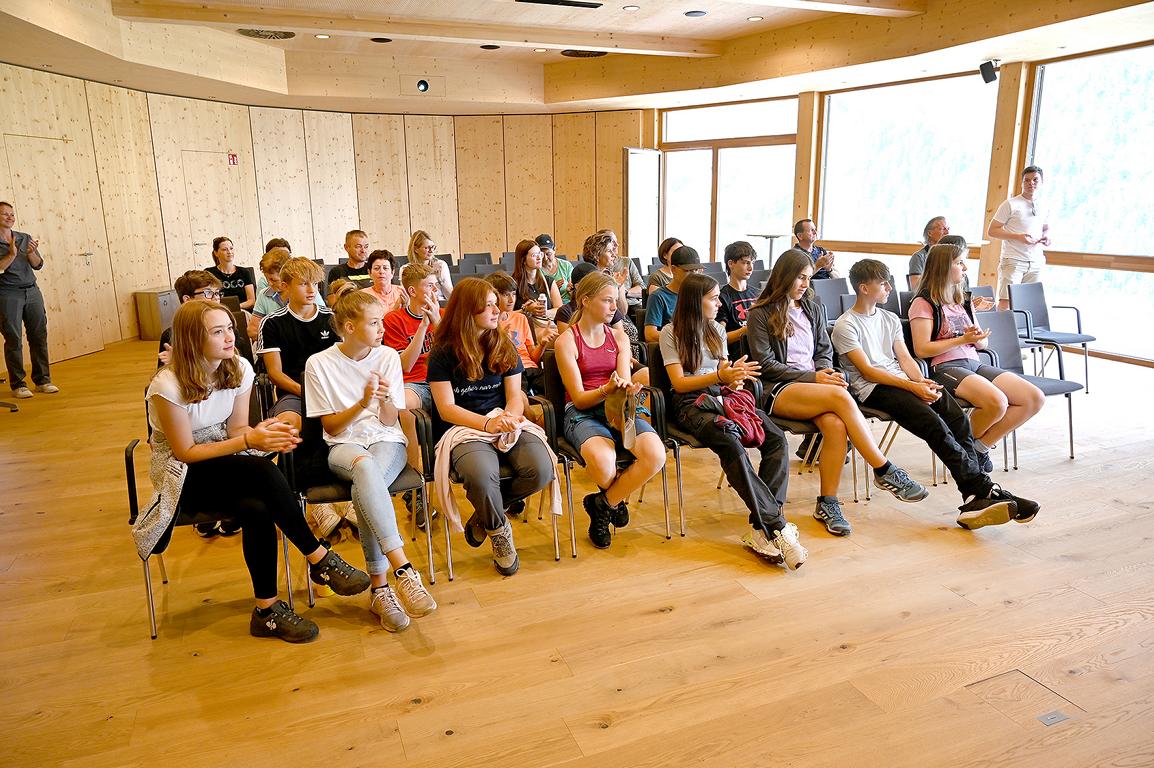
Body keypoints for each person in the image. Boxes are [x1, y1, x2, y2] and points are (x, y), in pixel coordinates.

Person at [140, 300, 371, 643]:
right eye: (217, 332)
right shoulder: (166, 385)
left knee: (258, 505)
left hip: (226, 459)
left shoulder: (239, 368)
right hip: (181, 473)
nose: (229, 337)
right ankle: (318, 556)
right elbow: (184, 452)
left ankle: (267, 610)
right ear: (191, 339)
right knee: (261, 471)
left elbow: (234, 431)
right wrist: (251, 439)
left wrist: (264, 437)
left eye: (230, 328)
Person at [832, 258, 1040, 530]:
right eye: (882, 283)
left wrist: (922, 382)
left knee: (958, 419)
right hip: (875, 390)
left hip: (904, 382)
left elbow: (905, 359)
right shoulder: (845, 325)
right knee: (935, 427)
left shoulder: (890, 318)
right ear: (864, 288)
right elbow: (868, 371)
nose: (888, 288)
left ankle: (977, 495)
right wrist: (912, 386)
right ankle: (984, 491)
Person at [746, 250, 927, 536]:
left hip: (815, 386)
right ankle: (883, 468)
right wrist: (813, 377)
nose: (805, 283)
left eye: (808, 278)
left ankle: (827, 503)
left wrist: (826, 373)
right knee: (842, 397)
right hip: (778, 389)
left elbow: (823, 351)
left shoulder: (813, 307)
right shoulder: (759, 312)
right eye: (800, 277)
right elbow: (766, 365)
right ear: (784, 277)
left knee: (836, 425)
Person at [303, 283, 438, 632]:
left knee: (368, 481)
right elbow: (331, 425)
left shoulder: (388, 357)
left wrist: (382, 401)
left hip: (386, 440)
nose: (383, 329)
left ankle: (381, 588)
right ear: (349, 327)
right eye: (375, 323)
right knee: (365, 470)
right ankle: (403, 569)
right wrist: (362, 402)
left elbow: (391, 421)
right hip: (343, 445)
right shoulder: (319, 364)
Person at [660, 273, 806, 569]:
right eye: (712, 298)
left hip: (724, 397)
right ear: (694, 301)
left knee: (776, 438)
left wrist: (735, 377)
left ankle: (762, 528)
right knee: (730, 441)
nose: (718, 303)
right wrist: (720, 376)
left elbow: (725, 372)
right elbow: (678, 383)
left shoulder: (716, 328)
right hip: (691, 403)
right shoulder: (670, 332)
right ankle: (777, 527)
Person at [426, 277, 555, 576]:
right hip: (464, 427)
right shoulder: (444, 352)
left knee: (542, 468)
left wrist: (508, 417)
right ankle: (499, 532)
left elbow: (514, 396)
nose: (496, 310)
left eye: (495, 303)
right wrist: (488, 423)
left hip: (502, 419)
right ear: (466, 311)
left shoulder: (502, 342)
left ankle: (482, 516)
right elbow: (447, 408)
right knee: (482, 476)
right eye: (487, 306)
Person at [909, 243, 1044, 470]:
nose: (965, 268)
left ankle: (976, 450)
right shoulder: (923, 303)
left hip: (974, 361)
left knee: (1033, 398)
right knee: (997, 403)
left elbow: (983, 343)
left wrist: (978, 338)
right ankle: (961, 454)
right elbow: (922, 350)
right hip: (945, 367)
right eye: (960, 262)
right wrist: (961, 340)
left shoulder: (963, 300)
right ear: (944, 266)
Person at [555, 271, 665, 548]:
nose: (615, 306)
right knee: (604, 464)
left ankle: (603, 504)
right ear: (585, 301)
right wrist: (607, 389)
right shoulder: (566, 341)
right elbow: (579, 399)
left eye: (615, 300)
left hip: (618, 408)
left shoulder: (619, 337)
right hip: (582, 413)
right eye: (607, 301)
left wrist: (627, 388)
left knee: (655, 456)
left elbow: (622, 379)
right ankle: (613, 500)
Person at [256, 258, 336, 433]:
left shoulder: (332, 319)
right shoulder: (271, 323)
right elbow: (275, 373)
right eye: (303, 284)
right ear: (285, 286)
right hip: (294, 393)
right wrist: (307, 392)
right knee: (286, 426)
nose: (311, 290)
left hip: (332, 390)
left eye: (314, 283)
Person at [383, 262, 440, 487]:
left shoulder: (444, 315)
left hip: (442, 380)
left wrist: (438, 322)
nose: (435, 291)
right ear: (413, 291)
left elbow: (457, 353)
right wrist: (424, 326)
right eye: (430, 286)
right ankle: (414, 483)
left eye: (436, 286)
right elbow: (405, 365)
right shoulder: (393, 320)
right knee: (405, 408)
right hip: (414, 382)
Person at [0, 202, 55, 399]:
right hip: (7, 294)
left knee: (38, 335)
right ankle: (18, 384)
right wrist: (12, 254)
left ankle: (43, 380)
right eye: (5, 214)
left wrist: (31, 252)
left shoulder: (25, 238)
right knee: (13, 338)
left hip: (32, 292)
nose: (9, 217)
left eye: (11, 214)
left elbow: (38, 265)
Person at [988, 166, 1050, 310]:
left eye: (1035, 180)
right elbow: (992, 231)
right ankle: (1001, 332)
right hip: (1013, 260)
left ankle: (1023, 332)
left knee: (1030, 304)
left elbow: (1045, 228)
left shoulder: (1045, 204)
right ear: (1022, 183)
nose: (1031, 183)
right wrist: (1018, 237)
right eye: (1027, 180)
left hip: (1036, 261)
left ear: (1042, 182)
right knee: (1006, 301)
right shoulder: (1011, 204)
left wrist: (1046, 237)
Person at [486, 271, 555, 396]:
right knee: (520, 394)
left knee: (554, 387)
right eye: (506, 295)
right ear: (494, 297)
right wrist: (501, 340)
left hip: (530, 368)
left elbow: (533, 356)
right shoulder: (489, 323)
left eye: (513, 294)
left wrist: (543, 343)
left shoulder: (521, 318)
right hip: (510, 369)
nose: (512, 300)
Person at [582, 232, 643, 362]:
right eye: (609, 251)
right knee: (627, 331)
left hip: (614, 317)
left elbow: (623, 311)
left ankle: (630, 367)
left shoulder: (610, 274)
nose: (614, 254)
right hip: (596, 321)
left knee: (631, 330)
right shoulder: (587, 276)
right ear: (597, 254)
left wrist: (620, 287)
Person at [159, 270, 224, 370]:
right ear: (187, 299)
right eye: (208, 293)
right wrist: (173, 364)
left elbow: (238, 365)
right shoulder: (171, 335)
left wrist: (180, 361)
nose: (216, 298)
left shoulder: (226, 327)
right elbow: (162, 375)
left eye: (217, 293)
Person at [644, 245, 704, 343]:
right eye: (688, 271)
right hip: (673, 350)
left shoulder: (700, 295)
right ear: (674, 269)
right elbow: (650, 335)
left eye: (696, 270)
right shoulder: (658, 297)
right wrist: (684, 338)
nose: (693, 275)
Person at [717, 241, 759, 352]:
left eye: (752, 263)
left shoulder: (758, 294)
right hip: (737, 357)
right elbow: (719, 339)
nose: (751, 268)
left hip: (759, 354)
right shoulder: (721, 298)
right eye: (745, 263)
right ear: (731, 264)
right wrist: (748, 329)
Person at [511, 239, 563, 321]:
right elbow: (505, 315)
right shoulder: (513, 283)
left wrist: (543, 312)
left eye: (540, 254)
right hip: (525, 330)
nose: (539, 258)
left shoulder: (549, 281)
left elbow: (560, 310)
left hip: (547, 327)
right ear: (523, 260)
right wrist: (525, 310)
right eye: (534, 255)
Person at [399, 230, 452, 299]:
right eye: (427, 248)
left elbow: (449, 293)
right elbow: (406, 296)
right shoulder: (405, 269)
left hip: (438, 303)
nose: (431, 251)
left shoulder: (440, 265)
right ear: (416, 249)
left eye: (433, 247)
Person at [205, 236, 255, 310]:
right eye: (224, 249)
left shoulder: (244, 272)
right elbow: (207, 298)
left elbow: (251, 300)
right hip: (219, 310)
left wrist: (236, 307)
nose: (229, 252)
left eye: (231, 248)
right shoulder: (209, 273)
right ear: (216, 253)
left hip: (242, 310)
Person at [600, 229, 643, 307]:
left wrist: (624, 292)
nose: (617, 245)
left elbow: (641, 288)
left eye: (617, 241)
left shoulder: (626, 261)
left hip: (632, 304)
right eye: (613, 242)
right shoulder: (597, 267)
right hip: (610, 305)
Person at [362, 249, 406, 314]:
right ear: (369, 273)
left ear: (392, 272)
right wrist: (394, 310)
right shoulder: (363, 296)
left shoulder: (402, 292)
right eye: (376, 268)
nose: (381, 272)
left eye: (385, 268)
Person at [536, 234, 574, 304]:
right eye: (541, 254)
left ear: (554, 250)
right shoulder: (536, 269)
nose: (545, 258)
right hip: (549, 305)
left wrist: (570, 290)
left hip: (568, 304)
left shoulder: (566, 265)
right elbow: (536, 295)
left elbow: (573, 289)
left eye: (548, 254)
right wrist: (552, 287)